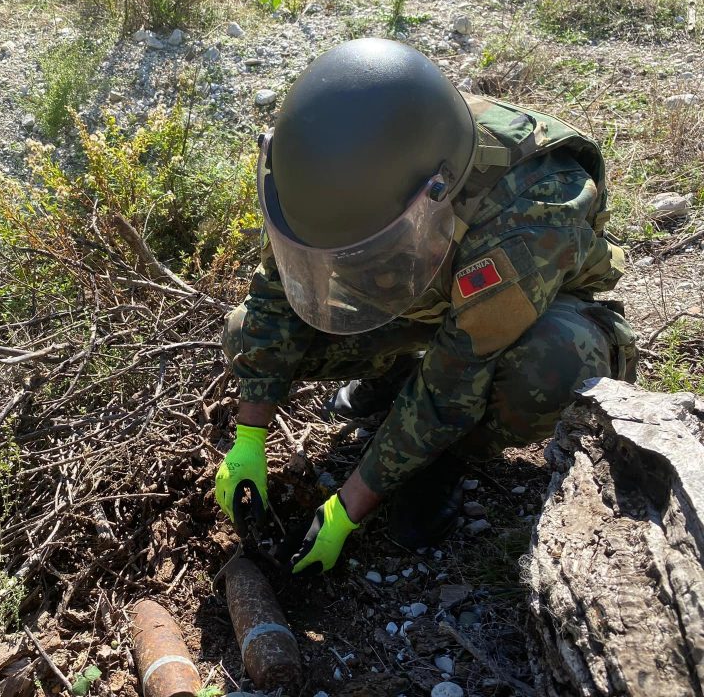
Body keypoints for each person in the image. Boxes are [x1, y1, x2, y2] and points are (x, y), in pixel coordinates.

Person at [213, 38, 637, 575]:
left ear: (435, 193)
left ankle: (449, 454)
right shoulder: (319, 172)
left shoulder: (535, 206)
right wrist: (250, 435)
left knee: (554, 366)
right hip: (421, 289)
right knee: (242, 330)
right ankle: (398, 382)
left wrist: (347, 509)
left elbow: (454, 379)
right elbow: (275, 295)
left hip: (523, 315)